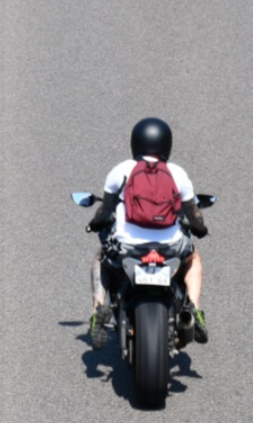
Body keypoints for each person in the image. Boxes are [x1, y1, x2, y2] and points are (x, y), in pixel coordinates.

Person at [86, 117, 208, 349]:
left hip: (127, 246)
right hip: (170, 246)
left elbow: (106, 209)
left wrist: (94, 223)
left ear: (136, 143)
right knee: (193, 258)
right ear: (166, 145)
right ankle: (194, 308)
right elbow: (193, 213)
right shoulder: (177, 173)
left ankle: (98, 312)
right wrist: (201, 229)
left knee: (101, 257)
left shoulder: (121, 170)